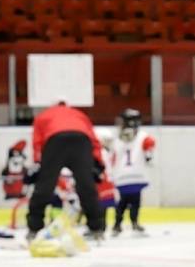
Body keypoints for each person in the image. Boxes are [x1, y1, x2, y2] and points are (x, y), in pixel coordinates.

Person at [26, 99, 105, 240]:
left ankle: (34, 228)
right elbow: (94, 140)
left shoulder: (43, 115)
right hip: (81, 140)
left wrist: (38, 163)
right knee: (86, 186)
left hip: (55, 140)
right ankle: (97, 228)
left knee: (45, 186)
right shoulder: (80, 114)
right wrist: (98, 162)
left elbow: (37, 142)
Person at [111, 108, 156, 236]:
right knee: (135, 201)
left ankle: (117, 225)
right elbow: (149, 152)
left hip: (121, 175)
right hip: (137, 174)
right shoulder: (144, 136)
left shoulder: (117, 138)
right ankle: (134, 223)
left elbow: (113, 156)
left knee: (123, 202)